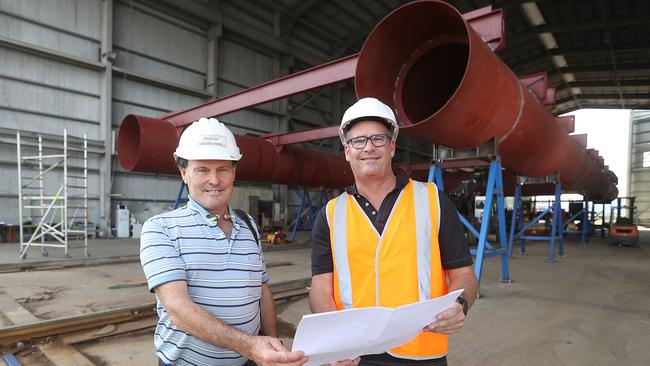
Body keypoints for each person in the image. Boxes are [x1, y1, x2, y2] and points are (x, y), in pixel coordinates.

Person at [309, 98, 479, 366]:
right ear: (347, 151)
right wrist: (335, 341)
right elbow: (320, 287)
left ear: (392, 146)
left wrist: (461, 304)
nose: (368, 148)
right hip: (354, 354)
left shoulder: (433, 201)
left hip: (422, 350)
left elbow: (464, 274)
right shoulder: (330, 215)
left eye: (378, 139)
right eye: (358, 141)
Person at [140, 118, 307, 366]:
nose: (214, 180)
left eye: (222, 169)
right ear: (183, 172)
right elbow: (177, 308)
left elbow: (261, 290)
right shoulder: (160, 228)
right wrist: (250, 346)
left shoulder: (248, 224)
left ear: (234, 172)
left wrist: (272, 343)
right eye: (202, 170)